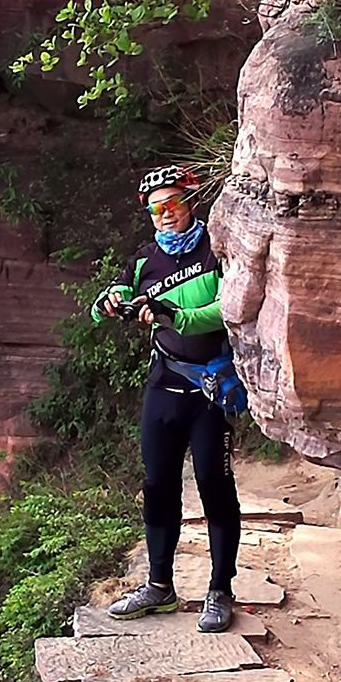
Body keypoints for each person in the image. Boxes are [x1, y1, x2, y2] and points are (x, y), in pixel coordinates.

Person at [91, 164, 242, 633]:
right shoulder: (144, 258)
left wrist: (175, 315)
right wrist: (109, 302)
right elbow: (116, 292)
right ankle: (159, 586)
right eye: (156, 209)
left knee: (215, 488)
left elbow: (227, 307)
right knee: (157, 484)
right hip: (164, 384)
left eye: (173, 204)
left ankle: (220, 590)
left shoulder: (215, 246)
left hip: (209, 387)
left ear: (190, 203)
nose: (165, 215)